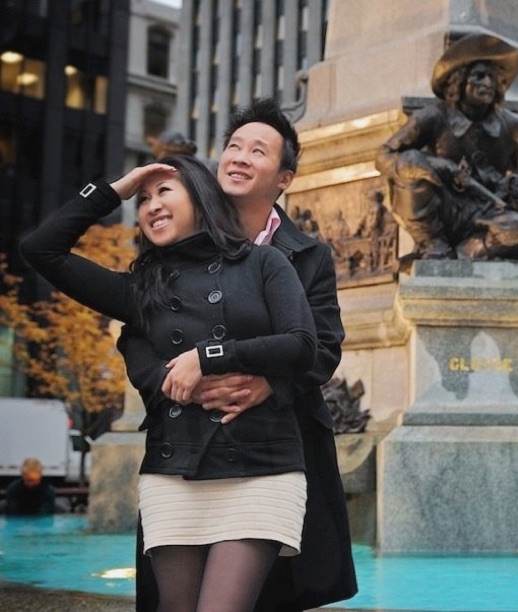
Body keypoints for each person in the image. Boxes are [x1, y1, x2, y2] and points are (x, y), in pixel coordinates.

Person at [21, 154, 318, 612]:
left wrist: (208, 356)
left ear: (200, 198)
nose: (151, 205)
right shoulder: (139, 291)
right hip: (175, 468)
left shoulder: (263, 263)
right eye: (142, 200)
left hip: (261, 464)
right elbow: (41, 249)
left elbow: (301, 344)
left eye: (165, 191)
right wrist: (116, 188)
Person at [118, 99, 357, 611]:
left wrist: (269, 383)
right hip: (184, 444)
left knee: (265, 595)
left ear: (285, 178)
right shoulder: (176, 233)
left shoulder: (308, 254)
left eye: (258, 150)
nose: (240, 157)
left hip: (273, 445)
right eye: (233, 146)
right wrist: (171, 377)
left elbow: (323, 345)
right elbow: (139, 326)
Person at [376, 33, 518, 261]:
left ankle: (462, 254)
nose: (487, 83)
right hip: (444, 210)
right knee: (410, 167)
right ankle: (433, 244)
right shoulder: (433, 117)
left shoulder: (517, 128)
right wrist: (434, 164)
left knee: (516, 231)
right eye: (479, 76)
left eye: (492, 78)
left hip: (491, 212)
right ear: (459, 80)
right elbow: (384, 155)